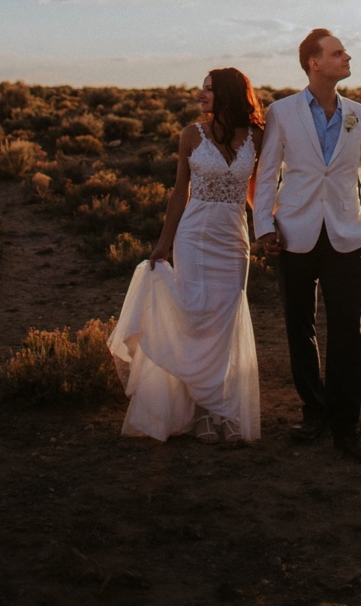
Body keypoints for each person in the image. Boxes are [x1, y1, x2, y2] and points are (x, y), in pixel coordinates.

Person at [108, 67, 264, 446]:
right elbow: (180, 192)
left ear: (227, 94)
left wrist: (271, 229)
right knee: (195, 316)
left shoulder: (257, 136)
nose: (200, 95)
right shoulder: (191, 136)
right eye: (202, 89)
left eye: (209, 90)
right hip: (194, 237)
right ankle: (198, 409)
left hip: (233, 239)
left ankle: (220, 410)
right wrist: (164, 242)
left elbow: (258, 192)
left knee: (225, 320)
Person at [253, 29, 361, 463]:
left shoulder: (359, 115)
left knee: (349, 332)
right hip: (294, 234)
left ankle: (346, 427)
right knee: (299, 327)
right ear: (314, 62)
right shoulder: (282, 112)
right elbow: (268, 170)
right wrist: (264, 227)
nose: (347, 57)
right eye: (337, 53)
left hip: (347, 236)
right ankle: (314, 412)